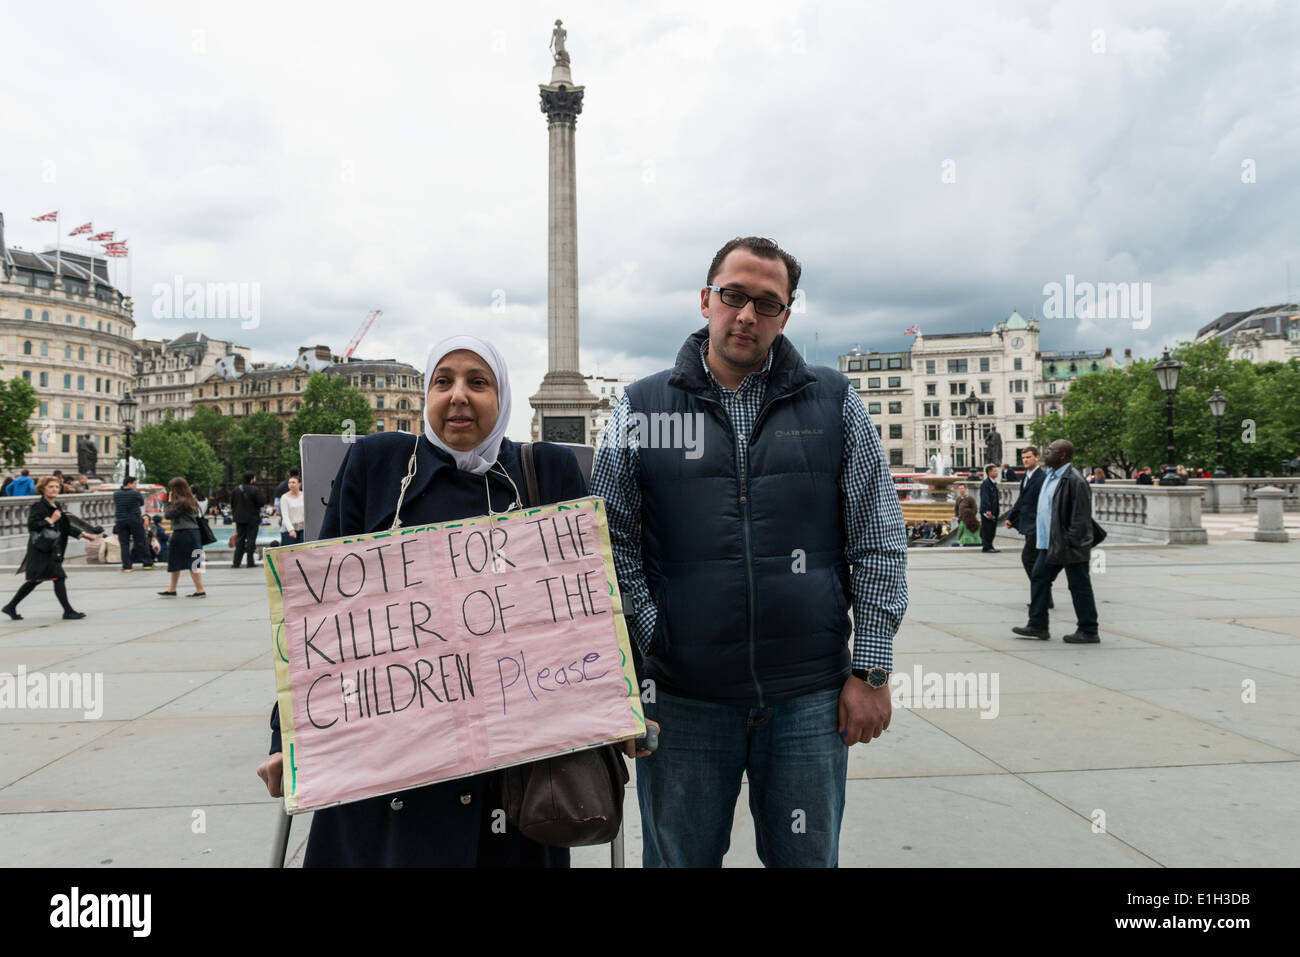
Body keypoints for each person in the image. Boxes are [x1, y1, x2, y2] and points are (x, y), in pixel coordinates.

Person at [254, 335, 648, 867]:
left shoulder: (547, 471)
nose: (458, 396)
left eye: (477, 381)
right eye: (443, 381)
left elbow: (594, 599)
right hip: (388, 771)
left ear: (503, 395)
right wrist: (288, 738)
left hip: (516, 778)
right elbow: (319, 622)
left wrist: (622, 704)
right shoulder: (377, 462)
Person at [591, 236, 908, 868]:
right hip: (681, 700)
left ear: (786, 316)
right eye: (734, 296)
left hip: (809, 696)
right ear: (706, 299)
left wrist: (870, 670)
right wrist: (647, 646)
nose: (746, 315)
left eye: (767, 303)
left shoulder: (835, 402)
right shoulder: (641, 407)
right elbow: (608, 542)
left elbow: (878, 538)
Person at [1012, 439, 1101, 643]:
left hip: (1069, 544)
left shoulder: (1075, 480)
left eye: (1051, 451)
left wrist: (1070, 542)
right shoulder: (1050, 476)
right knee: (1039, 578)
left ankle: (1088, 630)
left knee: (1079, 585)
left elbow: (1080, 517)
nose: (1046, 453)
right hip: (1050, 543)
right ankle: (1037, 625)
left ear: (1062, 456)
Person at [2, 476, 100, 620]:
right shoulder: (39, 506)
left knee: (36, 580)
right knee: (58, 577)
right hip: (42, 549)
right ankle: (68, 611)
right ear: (43, 489)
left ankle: (10, 606)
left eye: (56, 487)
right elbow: (32, 525)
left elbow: (65, 526)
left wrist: (84, 535)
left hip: (51, 548)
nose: (55, 489)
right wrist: (51, 520)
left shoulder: (56, 506)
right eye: (51, 487)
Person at [1004, 445, 1052, 610]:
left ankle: (1041, 595)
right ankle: (1045, 596)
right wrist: (1011, 516)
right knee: (1036, 561)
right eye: (1023, 458)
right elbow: (1021, 499)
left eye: (1028, 457)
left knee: (1028, 558)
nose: (1025, 460)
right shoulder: (1027, 476)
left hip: (1037, 524)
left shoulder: (1042, 477)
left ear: (1037, 458)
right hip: (1028, 523)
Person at [158, 478, 206, 598]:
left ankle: (173, 589)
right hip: (194, 533)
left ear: (176, 489)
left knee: (174, 561)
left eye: (172, 488)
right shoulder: (192, 500)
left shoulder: (180, 502)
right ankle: (199, 589)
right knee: (194, 563)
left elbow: (168, 515)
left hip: (181, 533)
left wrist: (170, 502)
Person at [112, 476, 155, 571]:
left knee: (124, 544)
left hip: (120, 521)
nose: (136, 486)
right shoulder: (136, 494)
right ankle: (147, 564)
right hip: (134, 520)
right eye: (135, 483)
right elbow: (141, 503)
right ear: (129, 484)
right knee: (141, 542)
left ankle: (127, 566)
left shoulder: (116, 494)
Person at [228, 472, 266, 568]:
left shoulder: (236, 489)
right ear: (252, 479)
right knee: (251, 539)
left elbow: (232, 503)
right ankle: (250, 562)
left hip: (239, 519)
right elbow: (261, 503)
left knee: (240, 539)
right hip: (252, 518)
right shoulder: (255, 490)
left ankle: (236, 562)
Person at [277, 475, 305, 546]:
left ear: (299, 484)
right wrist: (291, 530)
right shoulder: (284, 498)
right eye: (289, 483)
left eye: (293, 482)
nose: (291, 484)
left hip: (302, 529)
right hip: (288, 530)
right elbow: (285, 516)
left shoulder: (304, 495)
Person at [979, 464, 1000, 552]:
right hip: (988, 511)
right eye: (995, 471)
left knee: (992, 529)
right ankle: (986, 547)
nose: (997, 472)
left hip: (994, 510)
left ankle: (990, 545)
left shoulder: (993, 483)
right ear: (989, 472)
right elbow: (985, 497)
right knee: (987, 529)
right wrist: (988, 509)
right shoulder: (986, 483)